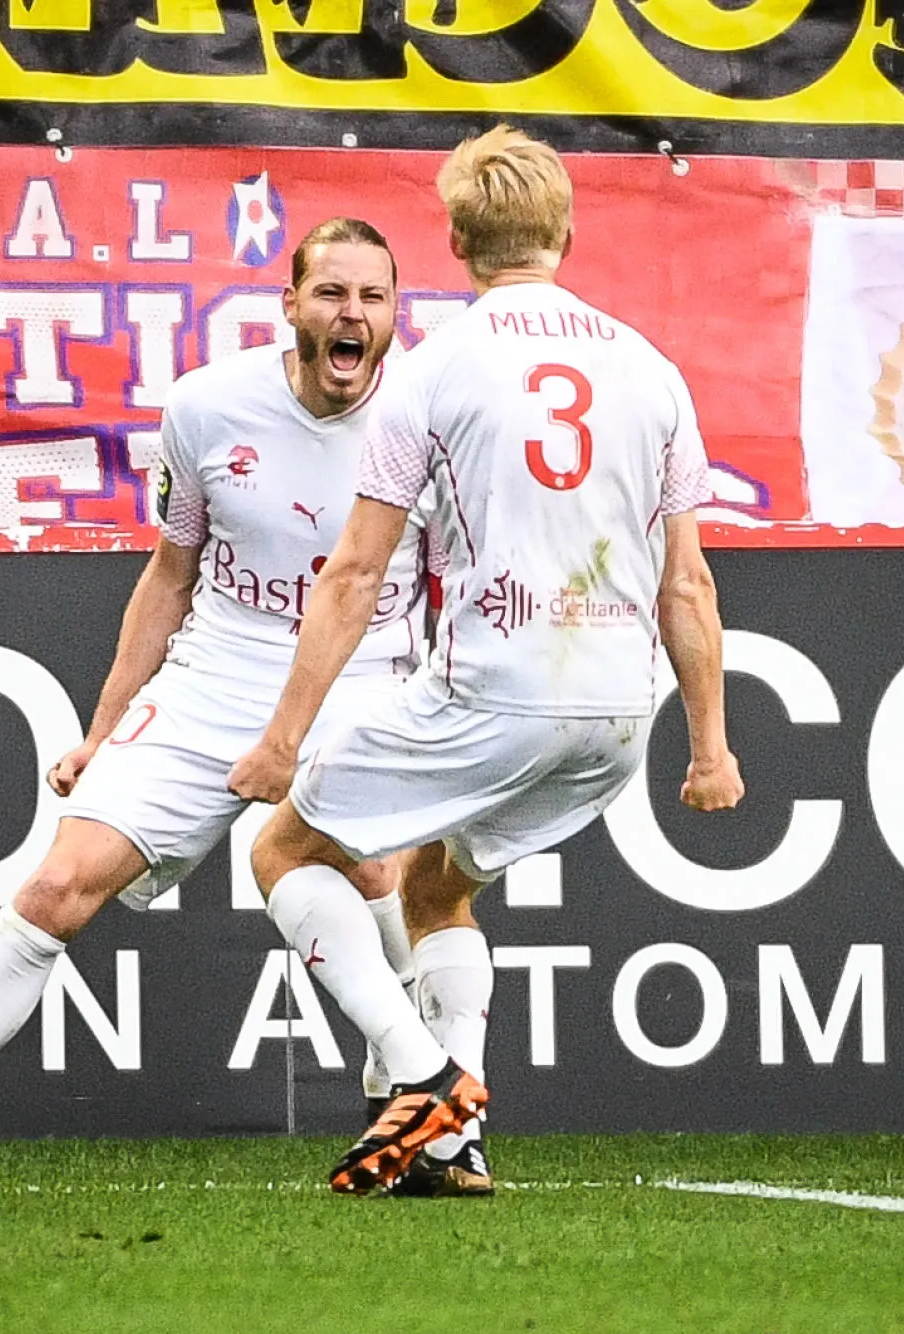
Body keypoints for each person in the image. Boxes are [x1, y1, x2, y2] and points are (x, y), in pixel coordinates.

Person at [0, 218, 439, 1186]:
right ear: (289, 304)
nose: (352, 315)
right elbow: (168, 575)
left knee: (381, 879)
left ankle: (418, 1100)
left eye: (372, 297)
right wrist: (100, 732)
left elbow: (460, 573)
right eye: (332, 294)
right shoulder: (207, 407)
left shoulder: (433, 410)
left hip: (365, 677)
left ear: (395, 311)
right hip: (216, 674)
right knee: (57, 884)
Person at [228, 125, 746, 1196]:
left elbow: (355, 572)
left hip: (495, 687)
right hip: (615, 710)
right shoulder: (648, 369)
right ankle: (456, 1142)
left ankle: (422, 1080)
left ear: (456, 238)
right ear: (562, 228)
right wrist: (709, 750)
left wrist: (283, 735)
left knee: (280, 853)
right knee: (434, 887)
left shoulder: (432, 369)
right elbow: (684, 583)